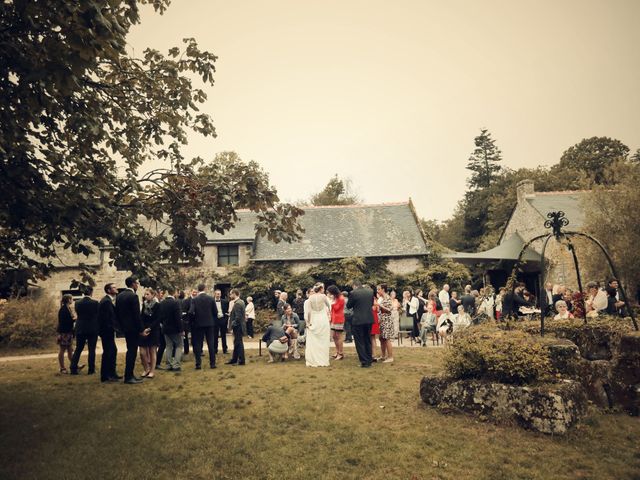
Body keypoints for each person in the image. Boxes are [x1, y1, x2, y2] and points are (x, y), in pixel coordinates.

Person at [116, 276, 149, 384]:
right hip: (133, 329)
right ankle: (129, 376)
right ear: (133, 284)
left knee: (130, 350)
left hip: (125, 328)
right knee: (132, 352)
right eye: (137, 283)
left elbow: (118, 313)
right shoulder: (133, 296)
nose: (137, 285)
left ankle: (129, 375)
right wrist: (141, 330)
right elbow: (136, 315)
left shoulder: (119, 296)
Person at [70, 287, 99, 375]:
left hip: (80, 327)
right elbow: (97, 315)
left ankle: (73, 368)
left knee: (78, 348)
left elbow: (78, 314)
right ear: (91, 293)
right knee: (91, 349)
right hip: (92, 328)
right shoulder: (95, 303)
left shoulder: (77, 302)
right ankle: (91, 369)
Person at [347, 280, 375, 368]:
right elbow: (371, 304)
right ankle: (369, 360)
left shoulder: (353, 293)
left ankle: (364, 361)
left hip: (358, 320)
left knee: (359, 341)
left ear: (354, 286)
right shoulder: (370, 292)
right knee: (367, 340)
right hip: (369, 319)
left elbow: (349, 305)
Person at [190, 284, 217, 369]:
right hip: (209, 324)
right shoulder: (211, 299)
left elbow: (191, 312)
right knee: (211, 344)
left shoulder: (194, 300)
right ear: (205, 289)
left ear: (198, 290)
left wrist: (194, 320)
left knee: (198, 344)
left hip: (198, 324)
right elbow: (215, 312)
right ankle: (212, 364)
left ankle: (198, 364)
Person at [305, 283, 331, 367]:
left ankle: (314, 359)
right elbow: (329, 306)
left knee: (314, 340)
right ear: (321, 289)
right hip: (323, 319)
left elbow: (308, 312)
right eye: (323, 288)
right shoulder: (323, 297)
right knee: (323, 340)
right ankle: (323, 359)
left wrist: (308, 323)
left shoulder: (310, 298)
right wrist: (329, 314)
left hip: (314, 319)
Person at [98, 283, 120, 382]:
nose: (116, 288)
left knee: (113, 351)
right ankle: (105, 376)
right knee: (108, 352)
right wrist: (112, 328)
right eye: (114, 287)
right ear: (108, 290)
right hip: (106, 331)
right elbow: (106, 319)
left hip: (108, 331)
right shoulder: (106, 301)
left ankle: (112, 373)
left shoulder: (108, 301)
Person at [158, 287, 184, 371]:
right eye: (177, 292)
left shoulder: (162, 303)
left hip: (165, 328)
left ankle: (169, 364)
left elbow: (160, 317)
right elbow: (178, 318)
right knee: (179, 346)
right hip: (175, 328)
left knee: (169, 346)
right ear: (174, 292)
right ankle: (176, 365)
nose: (178, 294)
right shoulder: (175, 303)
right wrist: (181, 330)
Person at [138, 288, 160, 379]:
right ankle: (146, 368)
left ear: (153, 295)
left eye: (147, 294)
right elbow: (141, 317)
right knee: (142, 352)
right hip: (144, 330)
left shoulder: (157, 305)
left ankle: (152, 371)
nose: (145, 296)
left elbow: (158, 319)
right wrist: (142, 328)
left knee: (152, 351)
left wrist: (150, 328)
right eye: (145, 294)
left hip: (153, 330)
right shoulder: (144, 304)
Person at [57, 294, 78, 374]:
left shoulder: (68, 308)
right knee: (62, 350)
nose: (72, 300)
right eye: (71, 298)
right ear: (69, 300)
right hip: (64, 332)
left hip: (68, 332)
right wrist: (74, 319)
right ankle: (62, 368)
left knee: (70, 350)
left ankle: (74, 365)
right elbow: (64, 322)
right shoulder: (63, 309)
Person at [226, 289, 246, 366]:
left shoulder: (237, 303)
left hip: (238, 326)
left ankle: (241, 361)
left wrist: (232, 325)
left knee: (239, 343)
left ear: (234, 294)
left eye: (231, 294)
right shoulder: (241, 301)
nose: (230, 296)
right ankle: (234, 359)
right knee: (237, 343)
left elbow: (238, 317)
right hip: (240, 326)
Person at [376, 284, 394, 363]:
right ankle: (383, 356)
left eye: (379, 289)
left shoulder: (387, 298)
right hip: (382, 320)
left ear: (383, 289)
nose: (377, 291)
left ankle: (390, 357)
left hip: (387, 320)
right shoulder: (380, 298)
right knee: (381, 338)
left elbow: (389, 309)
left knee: (387, 338)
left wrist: (380, 305)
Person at [327, 285, 345, 360]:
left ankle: (340, 353)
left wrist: (331, 302)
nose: (329, 294)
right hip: (334, 319)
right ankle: (337, 351)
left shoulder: (341, 298)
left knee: (339, 336)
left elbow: (337, 308)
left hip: (339, 319)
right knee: (334, 336)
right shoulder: (336, 297)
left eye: (330, 292)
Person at [213, 289, 229, 355]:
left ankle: (225, 349)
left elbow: (227, 311)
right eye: (217, 293)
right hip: (215, 320)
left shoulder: (225, 301)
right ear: (214, 294)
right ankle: (215, 350)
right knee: (215, 336)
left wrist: (225, 319)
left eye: (219, 293)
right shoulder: (211, 301)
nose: (218, 295)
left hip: (223, 320)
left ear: (221, 294)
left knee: (223, 335)